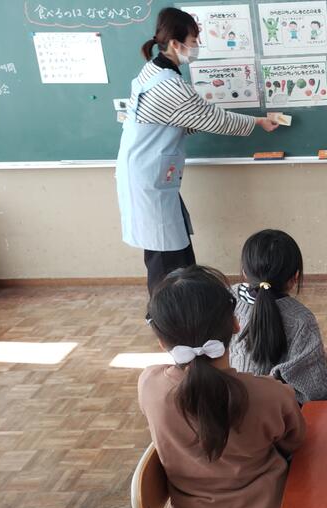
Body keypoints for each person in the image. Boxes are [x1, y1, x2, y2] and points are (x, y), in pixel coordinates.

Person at [139, 265, 305, 508]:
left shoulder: (150, 386)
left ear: (162, 342)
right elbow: (296, 442)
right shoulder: (271, 394)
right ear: (236, 323)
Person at [116, 7, 279, 294]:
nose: (197, 46)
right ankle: (167, 312)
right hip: (148, 177)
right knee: (167, 258)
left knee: (171, 251)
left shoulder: (152, 71)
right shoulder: (170, 86)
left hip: (147, 172)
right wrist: (257, 122)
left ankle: (181, 307)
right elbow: (213, 119)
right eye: (193, 40)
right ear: (175, 43)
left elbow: (185, 120)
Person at [229, 230, 327, 403]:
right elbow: (317, 393)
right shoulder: (301, 319)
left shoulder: (228, 298)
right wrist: (316, 361)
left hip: (232, 401)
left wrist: (314, 357)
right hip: (276, 409)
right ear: (295, 278)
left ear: (245, 272)